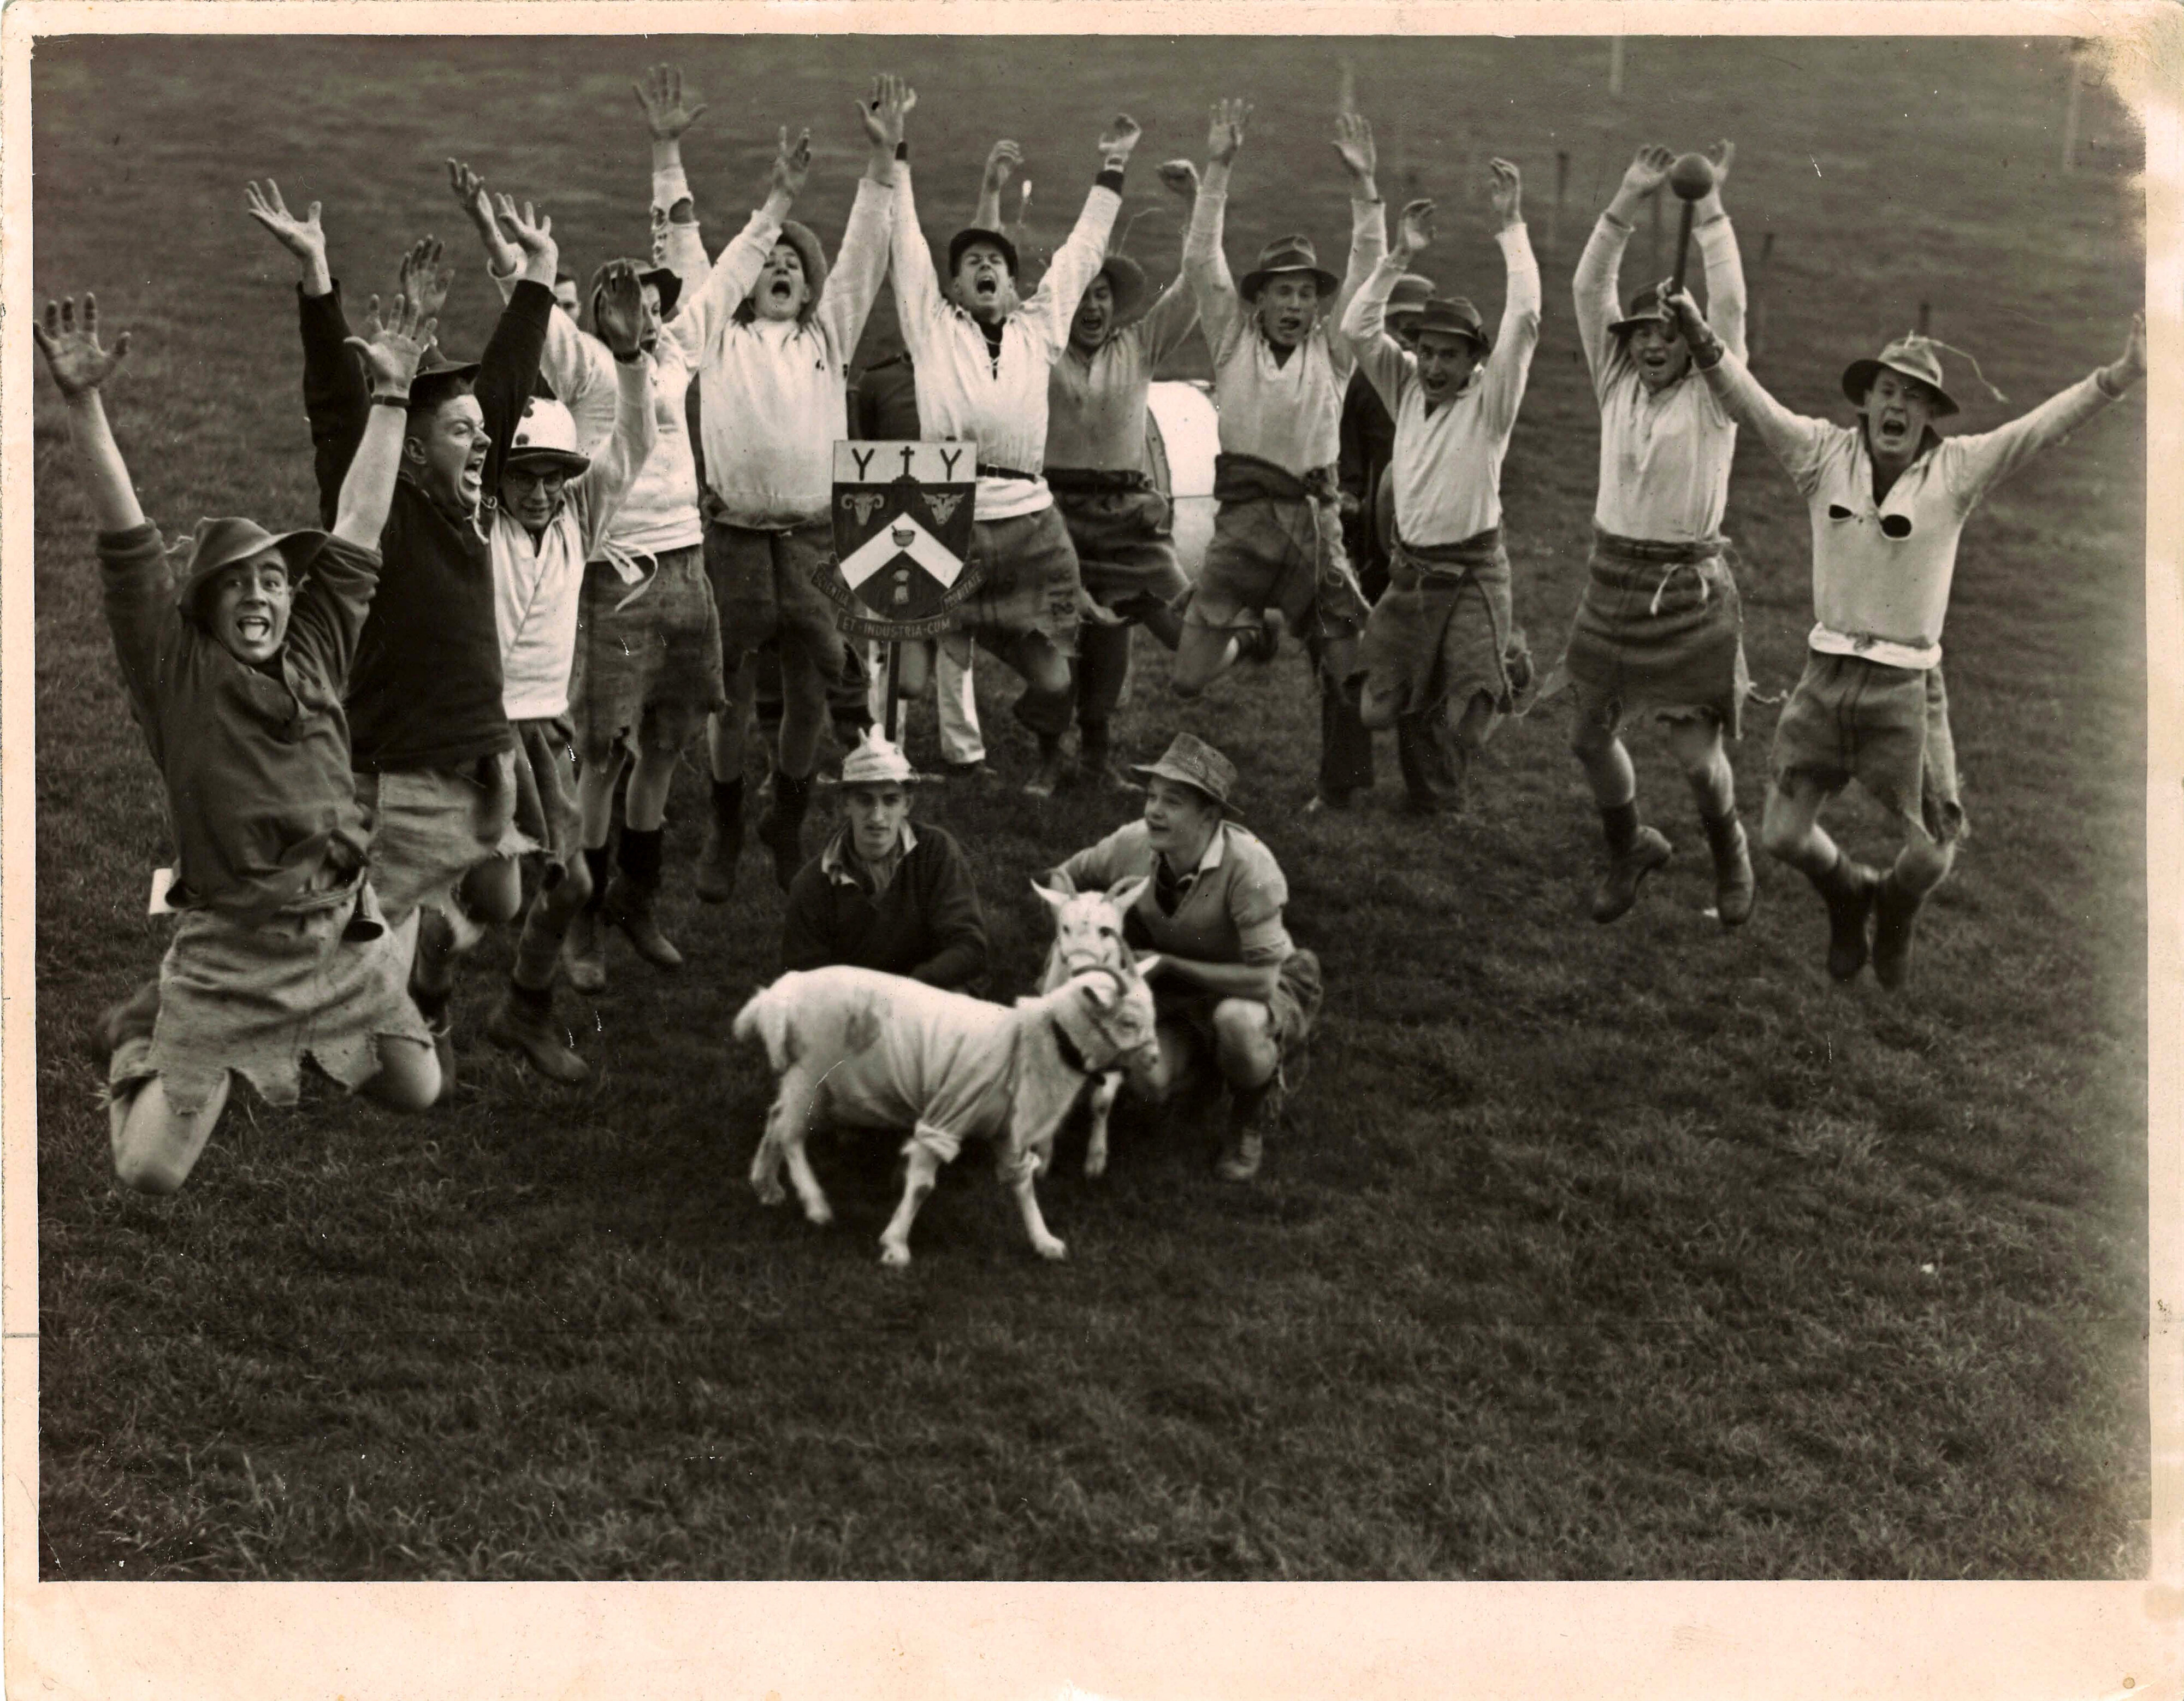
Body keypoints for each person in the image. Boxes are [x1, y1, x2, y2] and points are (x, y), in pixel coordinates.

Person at [42, 288, 442, 1193]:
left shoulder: (318, 644)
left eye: (274, 581)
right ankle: (140, 1034)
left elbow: (361, 522)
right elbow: (126, 535)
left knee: (415, 1089)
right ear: (207, 605)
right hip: (232, 949)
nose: (262, 595)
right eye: (239, 586)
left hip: (337, 930)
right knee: (149, 1171)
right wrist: (82, 400)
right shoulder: (173, 672)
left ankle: (383, 932)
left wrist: (393, 394)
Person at [1664, 285, 2147, 987]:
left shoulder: (1957, 471)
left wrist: (2123, 374)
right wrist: (1703, 339)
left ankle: (1890, 905)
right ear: (1866, 400)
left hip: (1908, 687)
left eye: (1915, 398)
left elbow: (2039, 431)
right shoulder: (1820, 455)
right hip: (1825, 678)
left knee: (1932, 857)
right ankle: (1846, 891)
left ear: (1929, 416)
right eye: (1888, 391)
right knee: (1782, 835)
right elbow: (1750, 403)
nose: (1898, 407)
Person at [251, 179, 559, 1077]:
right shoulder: (379, 503)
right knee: (375, 933)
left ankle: (405, 944)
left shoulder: (463, 492)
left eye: (481, 434)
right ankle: (310, 1009)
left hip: (482, 747)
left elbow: (498, 386)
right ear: (415, 448)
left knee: (502, 899)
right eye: (464, 435)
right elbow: (336, 406)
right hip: (402, 763)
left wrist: (537, 276)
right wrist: (317, 278)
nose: (484, 446)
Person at [450, 82, 720, 984]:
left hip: (683, 568)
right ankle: (580, 920)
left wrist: (668, 157)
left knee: (664, 750)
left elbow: (690, 255)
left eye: (652, 301)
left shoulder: (663, 359)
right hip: (609, 574)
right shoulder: (588, 380)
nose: (640, 310)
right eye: (623, 301)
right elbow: (533, 321)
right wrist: (499, 239)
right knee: (594, 760)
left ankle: (629, 904)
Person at [664, 78, 899, 894]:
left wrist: (880, 158)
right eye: (767, 260)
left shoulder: (827, 337)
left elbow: (867, 249)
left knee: (809, 686)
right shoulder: (717, 341)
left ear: (811, 285)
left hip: (811, 539)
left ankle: (786, 820)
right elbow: (687, 256)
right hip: (731, 536)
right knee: (728, 695)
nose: (779, 268)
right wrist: (667, 154)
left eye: (794, 263)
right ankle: (726, 825)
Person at [886, 86, 1144, 795]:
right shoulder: (930, 328)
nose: (983, 263)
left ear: (1010, 281)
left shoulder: (1037, 328)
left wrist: (1113, 167)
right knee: (907, 684)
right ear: (953, 286)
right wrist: (895, 149)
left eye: (993, 259)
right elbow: (902, 239)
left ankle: (998, 644)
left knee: (1056, 680)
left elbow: (1083, 250)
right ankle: (954, 633)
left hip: (1032, 526)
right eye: (968, 260)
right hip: (948, 515)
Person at [468, 257, 659, 1082]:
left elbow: (635, 443)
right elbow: (490, 420)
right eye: (524, 475)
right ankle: (421, 1008)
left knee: (571, 879)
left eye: (554, 474)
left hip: (545, 727)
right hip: (472, 724)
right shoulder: (477, 525)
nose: (541, 491)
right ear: (495, 478)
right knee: (463, 892)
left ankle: (523, 1009)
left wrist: (629, 359)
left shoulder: (581, 513)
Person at [1553, 143, 1753, 926]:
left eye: (1667, 332)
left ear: (1689, 338)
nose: (1650, 343)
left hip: (1687, 591)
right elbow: (1586, 286)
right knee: (1583, 737)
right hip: (1610, 580)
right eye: (1639, 332)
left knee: (1699, 764)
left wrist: (1706, 211)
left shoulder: (1714, 393)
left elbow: (1729, 306)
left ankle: (1728, 852)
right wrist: (1629, 196)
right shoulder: (1614, 381)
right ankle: (1627, 843)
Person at [1173, 98, 1383, 813]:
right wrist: (1219, 166)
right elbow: (1201, 257)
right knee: (1189, 675)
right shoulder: (1230, 340)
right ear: (1257, 300)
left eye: (1303, 293)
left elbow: (1367, 267)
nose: (1293, 304)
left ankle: (1338, 787)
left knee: (1343, 659)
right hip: (1240, 525)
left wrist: (1363, 188)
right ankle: (1251, 637)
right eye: (1280, 292)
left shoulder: (1333, 351)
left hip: (1314, 525)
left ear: (1317, 307)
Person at [1003, 141, 1202, 791]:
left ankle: (1098, 753)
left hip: (1127, 514)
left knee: (1127, 630)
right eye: (1083, 297)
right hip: (1053, 511)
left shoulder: (1140, 345)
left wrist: (1197, 208)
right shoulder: (1041, 347)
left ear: (1117, 304)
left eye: (1103, 297)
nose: (1092, 308)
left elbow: (1196, 288)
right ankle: (1047, 757)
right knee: (1062, 629)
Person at [1342, 170, 1541, 816]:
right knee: (1375, 712)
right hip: (1411, 576)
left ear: (1473, 361)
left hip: (1477, 571)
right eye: (1425, 351)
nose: (1432, 367)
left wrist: (1511, 226)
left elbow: (1527, 319)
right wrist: (1400, 257)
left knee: (1471, 727)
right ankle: (1461, 666)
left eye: (1448, 356)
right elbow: (1356, 329)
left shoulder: (1491, 402)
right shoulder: (1402, 387)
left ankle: (1506, 660)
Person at [1049, 734, 1323, 1184]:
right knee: (1148, 1082)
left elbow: (1260, 981)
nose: (1152, 811)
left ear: (1209, 817)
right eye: (1151, 796)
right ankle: (1212, 1076)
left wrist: (1169, 964)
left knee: (1237, 1024)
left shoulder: (1250, 867)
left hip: (1252, 986)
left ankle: (1249, 1111)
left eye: (1171, 802)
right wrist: (1074, 919)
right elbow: (1064, 873)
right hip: (1177, 988)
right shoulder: (1134, 843)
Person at [849, 299, 987, 777]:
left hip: (952, 522)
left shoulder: (966, 377)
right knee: (886, 641)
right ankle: (885, 746)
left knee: (955, 638)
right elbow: (860, 455)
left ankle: (964, 750)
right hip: (889, 528)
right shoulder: (879, 381)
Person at [779, 728, 989, 993]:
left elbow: (970, 947)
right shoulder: (812, 885)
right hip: (853, 1011)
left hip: (929, 999)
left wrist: (907, 992)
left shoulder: (935, 852)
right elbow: (802, 983)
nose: (878, 817)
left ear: (908, 805)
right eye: (865, 801)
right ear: (845, 804)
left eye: (891, 801)